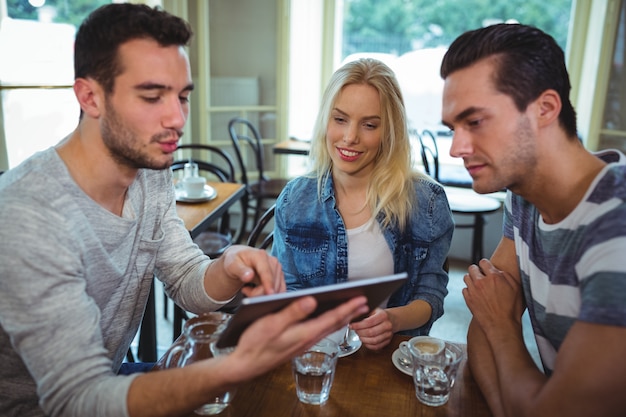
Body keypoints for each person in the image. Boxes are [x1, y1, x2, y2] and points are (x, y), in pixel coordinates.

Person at [0, 4, 369, 417]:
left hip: (111, 377)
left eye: (183, 96)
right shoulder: (28, 215)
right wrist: (233, 367)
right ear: (90, 97)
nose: (177, 118)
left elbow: (185, 280)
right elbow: (77, 400)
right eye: (152, 96)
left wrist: (228, 265)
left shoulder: (149, 173)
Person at [440, 23, 626, 417]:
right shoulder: (524, 196)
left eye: (474, 122)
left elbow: (493, 322)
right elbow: (480, 331)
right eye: (453, 128)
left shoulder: (617, 228)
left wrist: (502, 326)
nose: (457, 147)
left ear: (545, 109)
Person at [272, 58, 454, 351]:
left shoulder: (426, 202)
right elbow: (286, 287)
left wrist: (393, 320)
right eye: (340, 119)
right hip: (314, 356)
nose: (350, 137)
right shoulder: (295, 199)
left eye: (369, 125)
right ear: (325, 120)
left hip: (387, 359)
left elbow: (430, 294)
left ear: (389, 132)